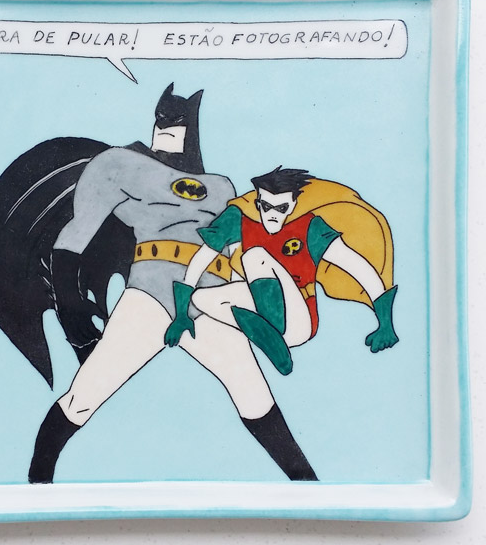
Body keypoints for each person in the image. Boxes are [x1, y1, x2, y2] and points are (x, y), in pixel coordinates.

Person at [28, 96, 317, 484]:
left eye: (178, 117)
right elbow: (75, 236)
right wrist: (71, 311)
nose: (167, 121)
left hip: (209, 297)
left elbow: (235, 251)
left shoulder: (221, 187)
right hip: (151, 294)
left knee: (253, 393)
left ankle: (307, 486)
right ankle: (37, 483)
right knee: (84, 396)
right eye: (162, 115)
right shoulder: (120, 164)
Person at [165, 166, 399, 376]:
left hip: (299, 320)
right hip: (264, 315)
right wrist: (181, 315)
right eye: (266, 207)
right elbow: (203, 258)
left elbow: (357, 266)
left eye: (281, 208)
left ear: (293, 205)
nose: (272, 214)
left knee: (255, 257)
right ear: (258, 203)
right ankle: (269, 339)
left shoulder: (309, 227)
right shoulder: (241, 218)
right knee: (201, 298)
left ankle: (270, 335)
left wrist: (385, 323)